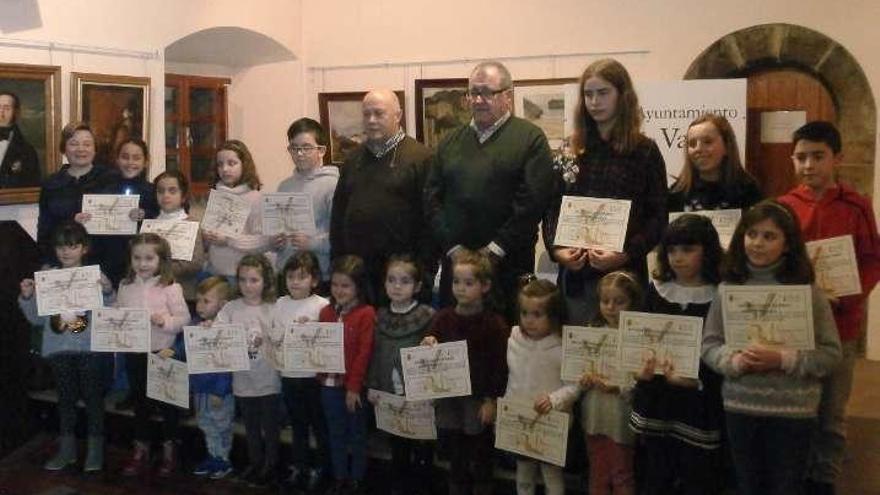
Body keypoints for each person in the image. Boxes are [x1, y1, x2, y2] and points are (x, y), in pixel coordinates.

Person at [701, 200, 842, 495]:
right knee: (748, 485)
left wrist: (783, 359)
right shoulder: (729, 288)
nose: (758, 243)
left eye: (769, 236)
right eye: (751, 234)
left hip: (794, 409)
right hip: (741, 405)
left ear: (788, 244)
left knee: (786, 486)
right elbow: (710, 344)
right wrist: (735, 362)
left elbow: (831, 355)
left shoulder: (809, 292)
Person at [777, 121, 880, 495]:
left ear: (837, 158)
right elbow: (777, 262)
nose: (809, 165)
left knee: (833, 411)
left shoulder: (857, 206)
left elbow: (871, 260)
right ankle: (796, 472)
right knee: (798, 404)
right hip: (797, 323)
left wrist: (849, 296)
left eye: (817, 156)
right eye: (801, 157)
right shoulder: (784, 208)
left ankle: (824, 477)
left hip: (841, 323)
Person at [426, 61, 556, 319]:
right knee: (457, 344)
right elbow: (431, 199)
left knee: (503, 345)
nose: (478, 100)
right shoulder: (450, 141)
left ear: (508, 96)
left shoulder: (530, 138)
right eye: (473, 92)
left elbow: (532, 203)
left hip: (508, 267)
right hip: (458, 269)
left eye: (487, 92)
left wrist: (495, 250)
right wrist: (454, 249)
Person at [544, 59, 667, 325]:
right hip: (576, 276)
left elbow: (658, 217)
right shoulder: (569, 148)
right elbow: (552, 207)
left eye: (603, 93)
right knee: (580, 353)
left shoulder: (644, 151)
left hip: (624, 279)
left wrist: (626, 252)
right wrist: (556, 249)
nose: (594, 102)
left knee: (623, 359)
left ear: (622, 96)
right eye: (588, 94)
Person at [630, 214, 725, 494]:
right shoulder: (656, 291)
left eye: (687, 249)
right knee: (656, 472)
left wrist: (695, 380)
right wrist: (640, 368)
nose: (678, 258)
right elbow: (639, 337)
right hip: (658, 399)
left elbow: (719, 347)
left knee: (697, 474)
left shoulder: (718, 295)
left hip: (698, 402)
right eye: (671, 250)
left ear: (707, 251)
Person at [18, 222, 114, 472]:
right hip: (59, 350)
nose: (66, 252)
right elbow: (37, 319)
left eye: (72, 246)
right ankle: (67, 450)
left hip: (89, 349)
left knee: (94, 401)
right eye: (61, 246)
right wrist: (28, 297)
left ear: (84, 248)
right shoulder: (48, 277)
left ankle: (95, 452)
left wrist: (107, 291)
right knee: (65, 402)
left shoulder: (95, 276)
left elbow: (109, 313)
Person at [330, 90, 433, 303]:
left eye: (379, 113)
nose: (371, 120)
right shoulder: (352, 160)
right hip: (358, 276)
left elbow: (431, 220)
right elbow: (338, 217)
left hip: (402, 279)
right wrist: (339, 265)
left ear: (398, 115)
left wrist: (425, 270)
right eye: (366, 114)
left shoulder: (421, 158)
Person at [421, 249, 510, 495]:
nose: (460, 288)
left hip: (478, 398)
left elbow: (499, 367)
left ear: (485, 286)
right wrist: (428, 342)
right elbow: (429, 347)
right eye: (456, 282)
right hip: (449, 397)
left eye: (468, 283)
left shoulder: (494, 324)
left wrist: (491, 400)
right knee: (456, 451)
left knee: (480, 450)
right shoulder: (442, 318)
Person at [116, 233, 191, 477]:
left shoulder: (170, 286)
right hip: (135, 352)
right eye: (137, 258)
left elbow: (184, 319)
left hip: (163, 352)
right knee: (140, 402)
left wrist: (166, 321)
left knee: (168, 403)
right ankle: (142, 449)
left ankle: (170, 450)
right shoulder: (125, 285)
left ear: (162, 260)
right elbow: (118, 314)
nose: (142, 263)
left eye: (149, 258)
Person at [365, 254, 436, 495]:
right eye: (391, 280)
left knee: (423, 446)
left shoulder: (427, 315)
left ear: (416, 286)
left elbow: (434, 357)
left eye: (404, 281)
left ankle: (423, 486)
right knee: (398, 445)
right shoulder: (380, 316)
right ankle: (400, 485)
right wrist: (373, 386)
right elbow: (375, 354)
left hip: (418, 395)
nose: (397, 286)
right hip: (389, 393)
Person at [504, 278, 578, 495]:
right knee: (524, 473)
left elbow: (575, 386)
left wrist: (554, 400)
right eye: (525, 313)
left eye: (537, 314)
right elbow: (512, 377)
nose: (529, 320)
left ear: (555, 316)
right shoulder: (514, 338)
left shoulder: (564, 345)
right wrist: (507, 407)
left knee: (552, 476)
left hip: (551, 421)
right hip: (520, 419)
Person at [216, 254, 282, 487]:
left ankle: (271, 465)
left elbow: (282, 338)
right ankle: (255, 463)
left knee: (270, 427)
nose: (247, 285)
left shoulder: (274, 307)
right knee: (251, 426)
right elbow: (218, 333)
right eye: (243, 280)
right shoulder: (231, 307)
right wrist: (208, 328)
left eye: (254, 280)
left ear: (266, 281)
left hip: (268, 378)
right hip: (242, 379)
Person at [271, 251, 331, 492]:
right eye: (291, 276)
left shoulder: (323, 305)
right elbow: (274, 334)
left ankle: (322, 468)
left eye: (302, 277)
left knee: (319, 426)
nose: (295, 282)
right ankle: (300, 466)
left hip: (313, 379)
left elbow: (330, 340)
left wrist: (313, 329)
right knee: (298, 426)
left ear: (314, 280)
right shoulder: (280, 303)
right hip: (289, 376)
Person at [318, 255, 376, 495]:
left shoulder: (366, 314)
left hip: (353, 387)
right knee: (336, 432)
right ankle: (340, 476)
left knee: (357, 434)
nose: (339, 290)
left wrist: (353, 388)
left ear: (358, 287)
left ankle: (357, 479)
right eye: (335, 284)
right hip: (328, 383)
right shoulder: (325, 312)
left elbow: (364, 353)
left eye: (345, 285)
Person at [580, 271, 641, 495]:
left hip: (621, 418)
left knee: (622, 474)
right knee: (597, 473)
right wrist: (584, 378)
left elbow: (640, 383)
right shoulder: (591, 333)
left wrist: (618, 387)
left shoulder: (636, 338)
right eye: (605, 301)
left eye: (619, 301)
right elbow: (578, 371)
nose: (611, 307)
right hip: (594, 416)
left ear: (633, 303)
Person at [76, 138, 160, 287]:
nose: (130, 163)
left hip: (143, 266)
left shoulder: (154, 192)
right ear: (117, 160)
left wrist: (145, 215)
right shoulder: (101, 190)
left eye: (136, 158)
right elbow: (91, 234)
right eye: (125, 157)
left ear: (146, 161)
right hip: (107, 262)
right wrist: (83, 220)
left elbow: (162, 225)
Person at [36, 121, 118, 265]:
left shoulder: (111, 179)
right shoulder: (51, 184)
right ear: (64, 148)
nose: (81, 149)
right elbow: (44, 230)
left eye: (87, 144)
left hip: (104, 262)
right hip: (63, 264)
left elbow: (119, 226)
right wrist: (46, 263)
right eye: (73, 143)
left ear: (95, 149)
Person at [274, 118, 338, 294]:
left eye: (306, 147)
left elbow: (341, 236)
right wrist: (276, 241)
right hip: (286, 274)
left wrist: (312, 243)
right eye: (294, 148)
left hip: (317, 277)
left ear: (322, 151)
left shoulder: (333, 185)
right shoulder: (284, 186)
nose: (299, 153)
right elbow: (277, 227)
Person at [202, 139, 271, 281]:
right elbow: (209, 243)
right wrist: (207, 236)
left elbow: (265, 242)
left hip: (241, 277)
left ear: (244, 165)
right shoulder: (215, 196)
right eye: (220, 165)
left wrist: (228, 240)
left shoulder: (256, 198)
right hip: (214, 272)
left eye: (231, 163)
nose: (225, 169)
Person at [188, 276, 236, 480]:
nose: (199, 306)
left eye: (206, 301)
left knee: (221, 423)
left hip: (219, 392)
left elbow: (228, 364)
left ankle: (223, 459)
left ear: (223, 305)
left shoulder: (226, 330)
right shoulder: (196, 324)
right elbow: (186, 350)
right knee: (205, 422)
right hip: (200, 388)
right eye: (198, 300)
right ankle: (212, 455)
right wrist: (171, 351)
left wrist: (220, 390)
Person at [667, 114, 763, 212]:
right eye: (692, 144)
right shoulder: (676, 194)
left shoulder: (748, 191)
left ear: (727, 146)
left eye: (707, 142)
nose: (698, 149)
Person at [153, 170, 206, 310]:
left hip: (185, 294)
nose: (166, 195)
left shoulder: (192, 224)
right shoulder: (150, 225)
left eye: (172, 191)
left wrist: (158, 269)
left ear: (183, 196)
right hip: (154, 296)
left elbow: (195, 263)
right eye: (160, 191)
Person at [0, 91, 40, 188]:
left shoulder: (27, 151)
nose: (1, 112)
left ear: (15, 112)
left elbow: (32, 185)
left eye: (6, 108)